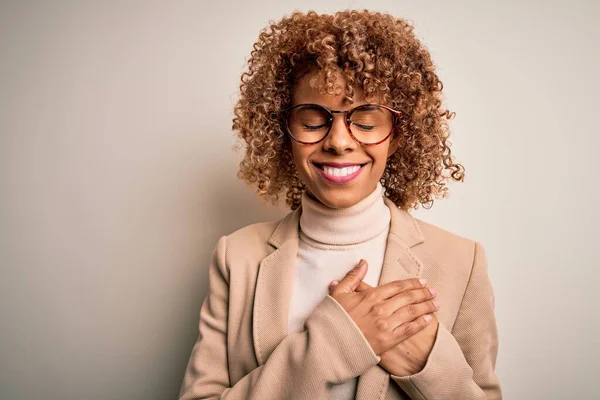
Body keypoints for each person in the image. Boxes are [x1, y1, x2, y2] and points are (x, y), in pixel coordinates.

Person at [179, 9, 502, 400]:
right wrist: (331, 344)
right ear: (283, 131)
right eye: (313, 119)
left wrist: (426, 367)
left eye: (366, 120)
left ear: (398, 135)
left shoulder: (462, 262)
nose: (339, 141)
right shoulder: (237, 257)